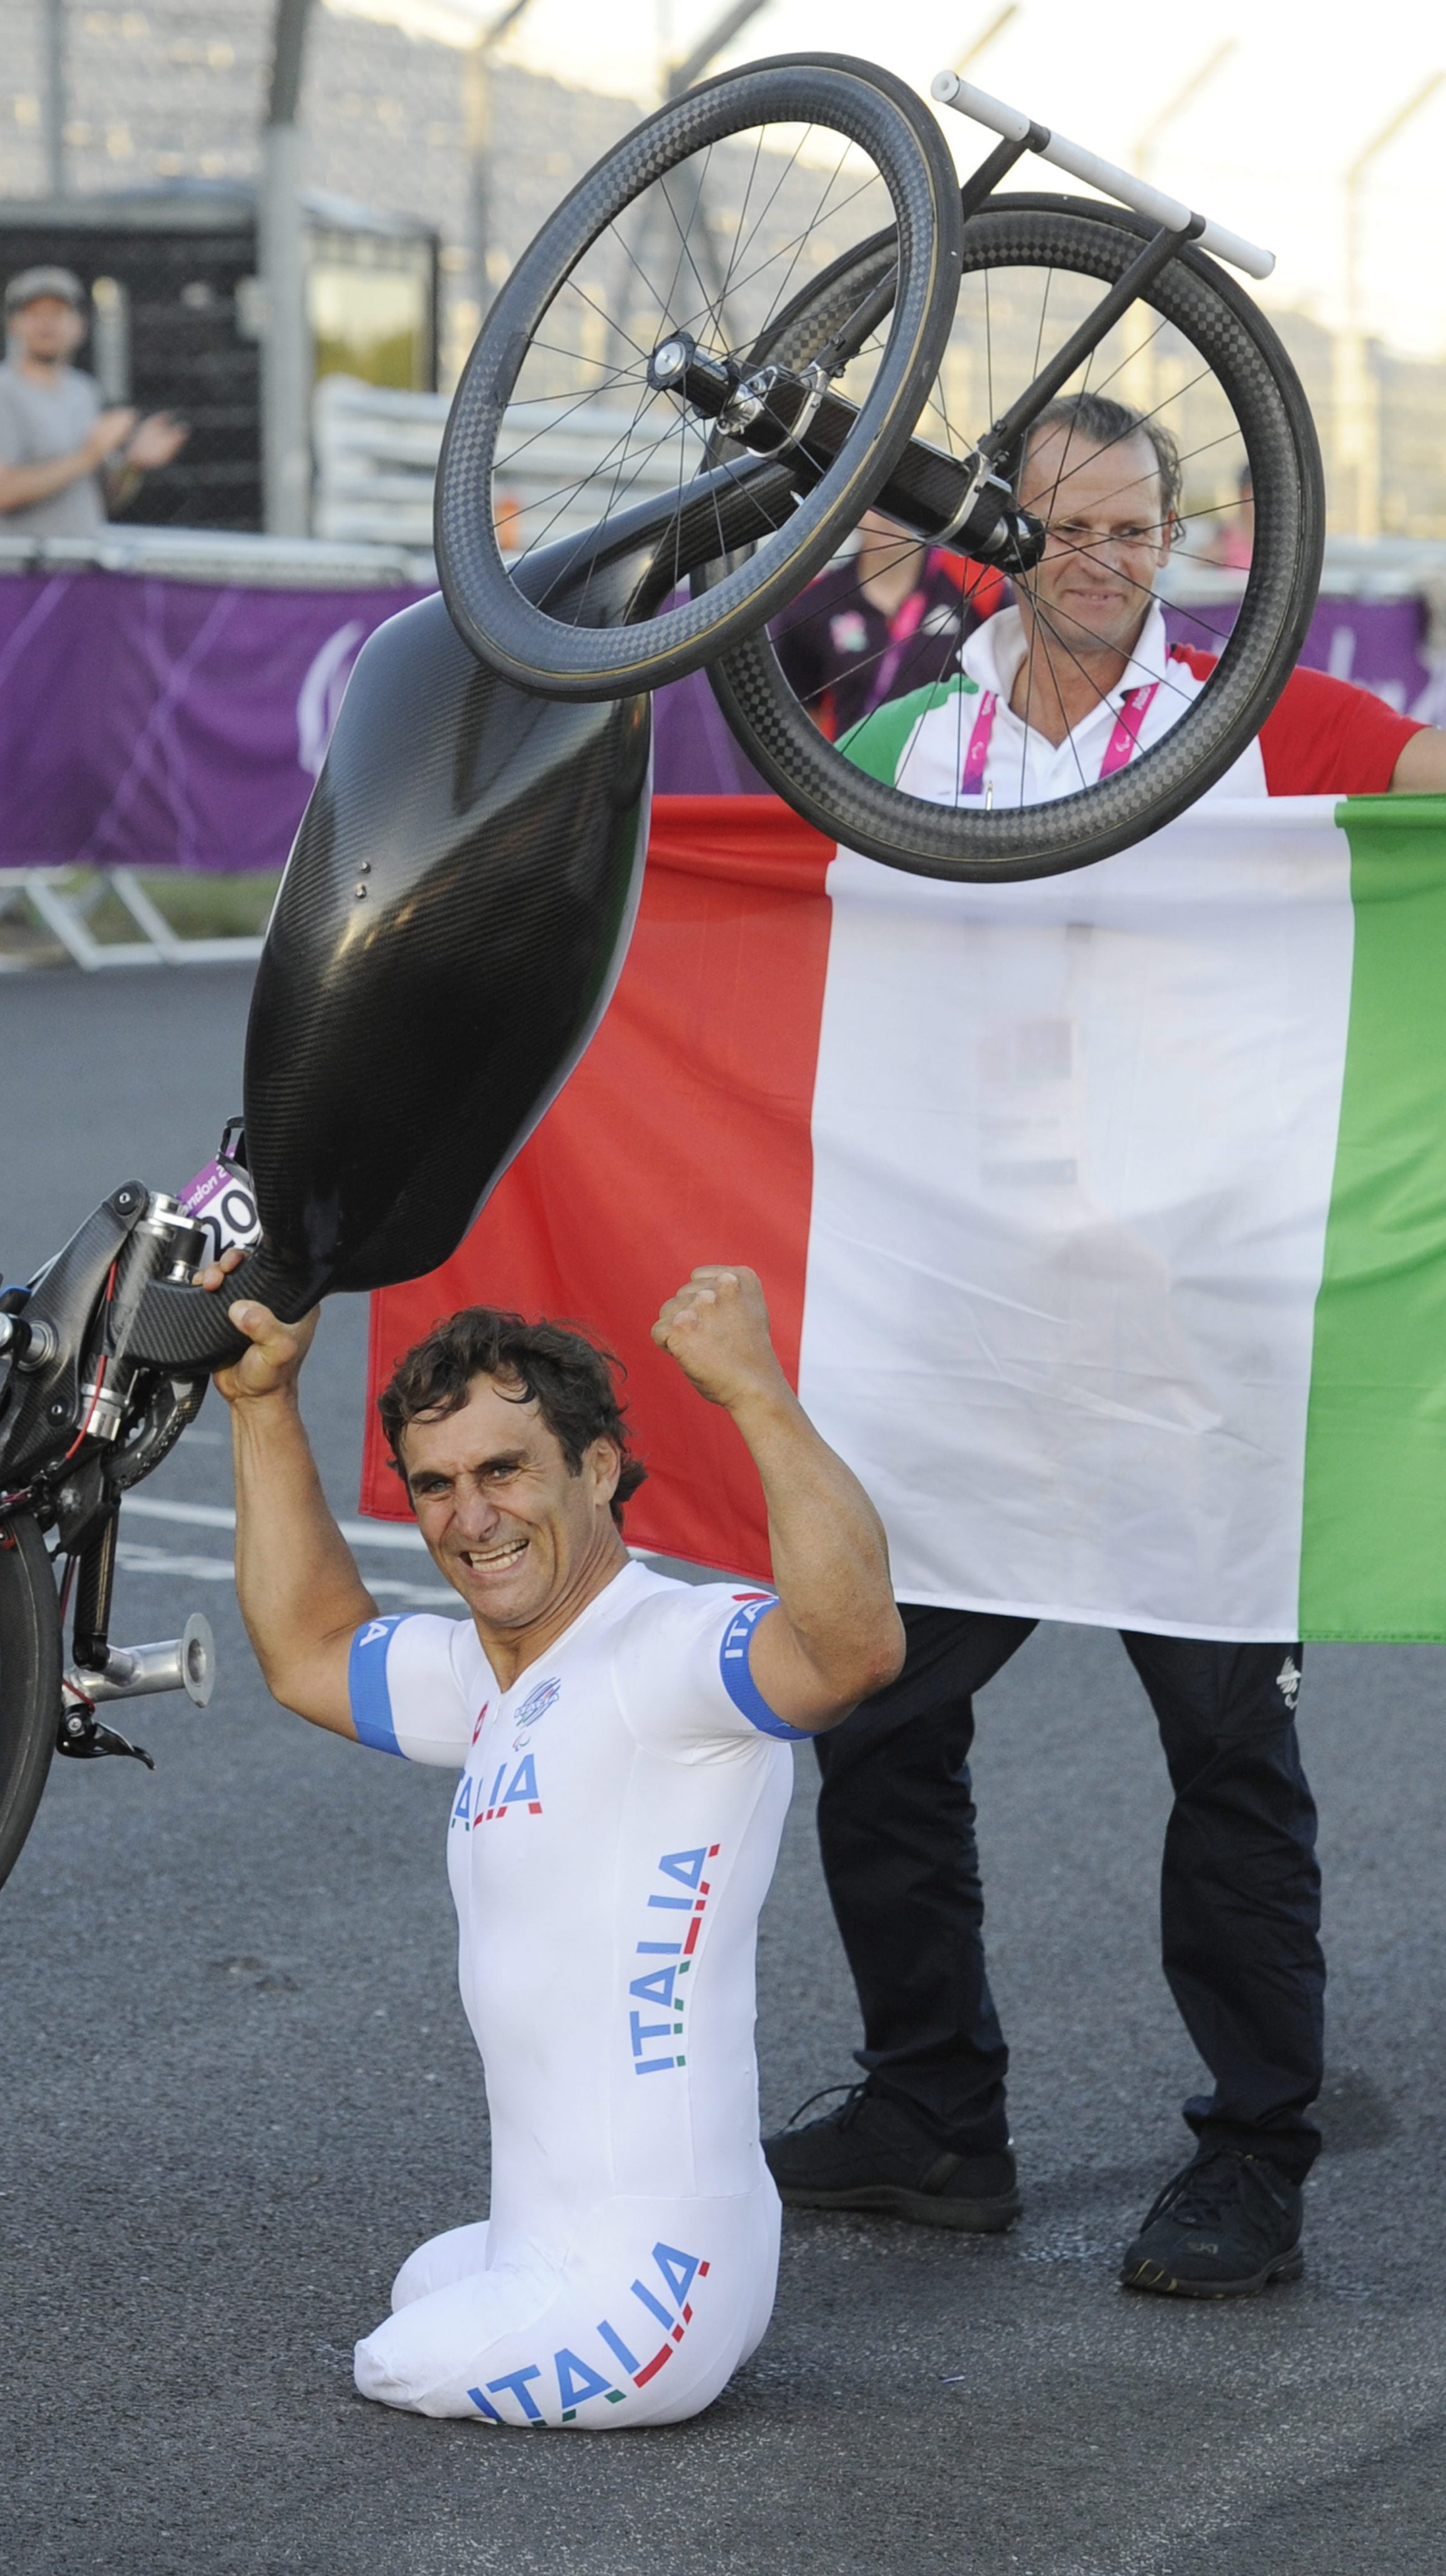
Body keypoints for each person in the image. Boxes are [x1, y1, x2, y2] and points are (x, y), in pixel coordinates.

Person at [765, 391, 1446, 2298]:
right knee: (879, 1705)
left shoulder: (1260, 722)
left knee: (1228, 1751)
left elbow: (1432, 797)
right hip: (971, 1324)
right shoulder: (909, 741)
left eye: (1138, 529)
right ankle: (933, 2113)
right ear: (995, 532)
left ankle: (1253, 2159)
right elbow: (774, 910)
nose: (1105, 562)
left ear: (1179, 538)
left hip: (1196, 1330)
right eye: (1066, 528)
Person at [207, 1265, 902, 2427]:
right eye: (434, 1486)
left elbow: (851, 1652)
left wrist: (758, 1398)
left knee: (392, 2359)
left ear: (596, 1469)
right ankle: (542, 2263)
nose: (468, 1518)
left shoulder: (666, 1654)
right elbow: (310, 1651)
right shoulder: (499, 1671)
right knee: (429, 2281)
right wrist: (262, 1404)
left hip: (657, 2291)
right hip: (565, 2240)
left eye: (502, 1471)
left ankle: (617, 2311)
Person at [0, 267, 187, 538]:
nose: (46, 324)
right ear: (13, 324)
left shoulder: (84, 392)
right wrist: (90, 454)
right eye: (34, 313)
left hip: (79, 567)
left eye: (58, 313)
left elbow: (97, 501)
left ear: (80, 326)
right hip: (24, 573)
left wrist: (133, 463)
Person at [772, 509, 1004, 739]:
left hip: (952, 769)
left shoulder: (981, 587)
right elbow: (800, 715)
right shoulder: (813, 603)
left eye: (899, 500)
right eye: (876, 501)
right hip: (849, 768)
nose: (888, 516)